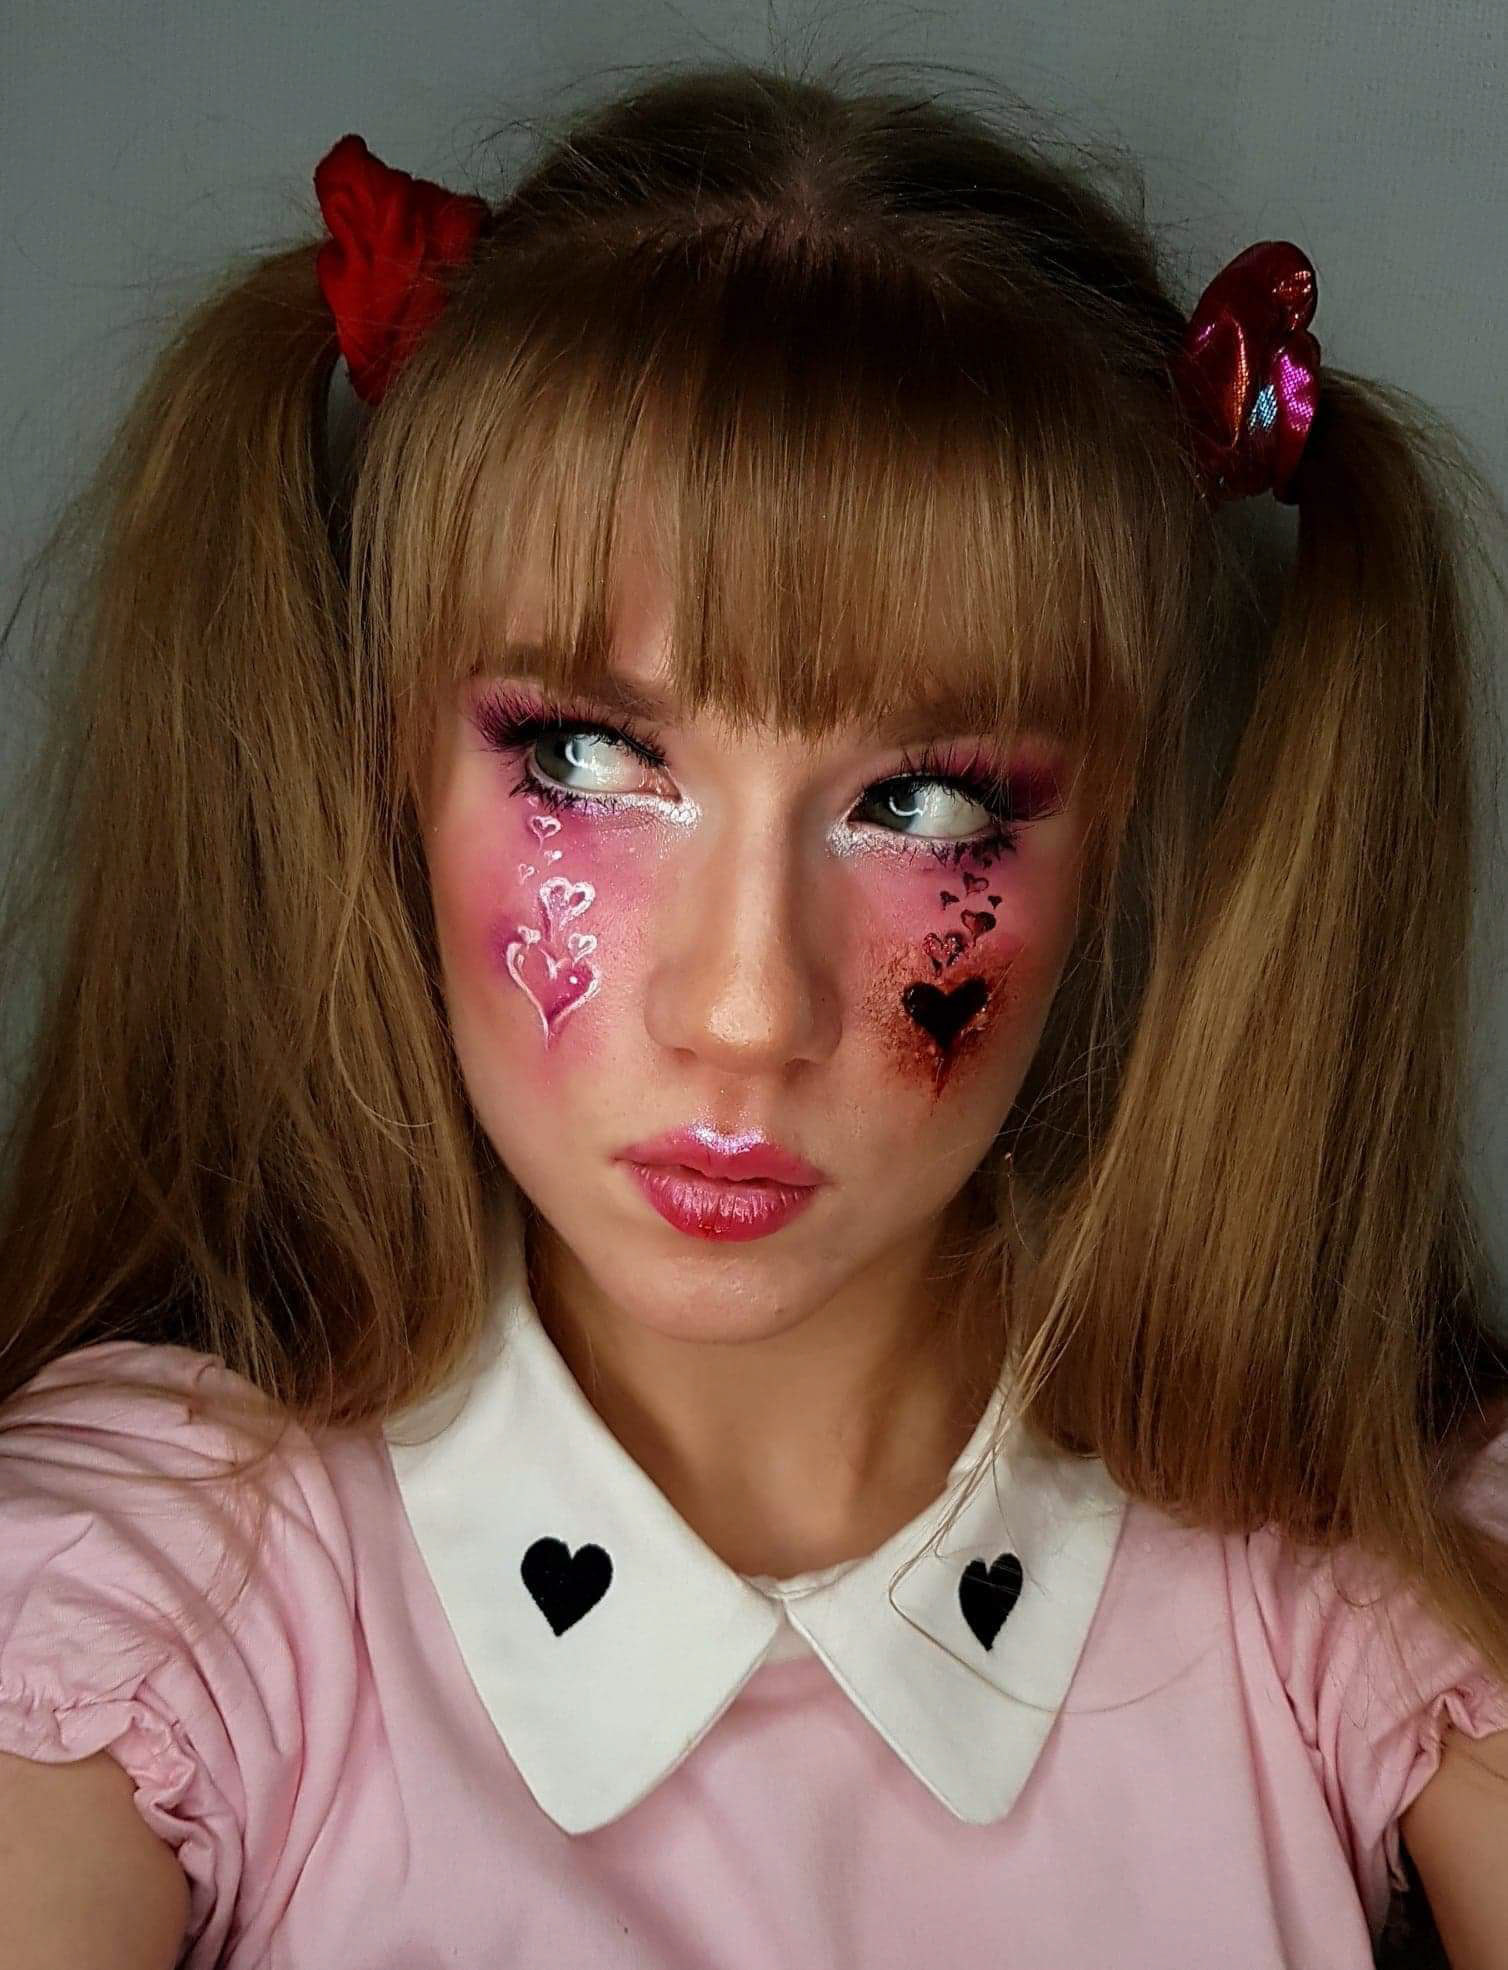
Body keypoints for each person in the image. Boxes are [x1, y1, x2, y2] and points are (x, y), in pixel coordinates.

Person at [1, 53, 1507, 1970]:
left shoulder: (1384, 1572)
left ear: (1116, 841)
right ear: (387, 762)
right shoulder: (136, 1607)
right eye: (587, 761)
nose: (741, 1007)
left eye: (928, 805)